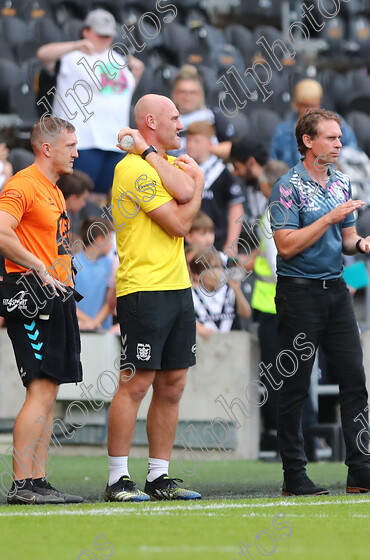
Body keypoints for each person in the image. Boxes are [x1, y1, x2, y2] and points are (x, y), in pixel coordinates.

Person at [267, 109, 370, 496]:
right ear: (308, 142)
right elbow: (286, 246)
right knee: (295, 385)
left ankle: (360, 469)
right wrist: (328, 219)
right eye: (331, 138)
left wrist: (363, 244)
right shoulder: (286, 186)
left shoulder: (340, 182)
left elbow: (347, 240)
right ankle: (294, 474)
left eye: (339, 138)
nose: (339, 144)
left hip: (334, 290)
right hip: (298, 292)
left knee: (353, 378)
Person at [104, 94, 205, 502]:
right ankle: (117, 479)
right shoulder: (132, 169)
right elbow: (182, 222)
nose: (182, 124)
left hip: (178, 287)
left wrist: (189, 186)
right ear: (151, 121)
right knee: (136, 382)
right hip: (143, 288)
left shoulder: (160, 163)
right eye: (175, 117)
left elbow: (182, 197)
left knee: (174, 383)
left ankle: (159, 476)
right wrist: (197, 185)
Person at [0, 117, 84, 504]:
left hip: (56, 294)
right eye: (70, 146)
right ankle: (21, 485)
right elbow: (1, 230)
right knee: (38, 388)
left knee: (49, 390)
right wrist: (36, 265)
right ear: (46, 148)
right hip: (31, 294)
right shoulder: (22, 184)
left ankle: (37, 480)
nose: (77, 152)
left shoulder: (53, 189)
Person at [36, 9, 144, 202]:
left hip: (114, 142)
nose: (105, 39)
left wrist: (136, 75)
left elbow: (120, 95)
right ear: (86, 31)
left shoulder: (118, 58)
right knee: (73, 199)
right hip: (82, 140)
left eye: (108, 35)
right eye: (100, 34)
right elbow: (43, 55)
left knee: (105, 200)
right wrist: (76, 45)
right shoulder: (71, 56)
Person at [243, 159, 291, 455]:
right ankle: (299, 434)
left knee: (275, 373)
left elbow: (275, 264)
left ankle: (278, 434)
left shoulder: (273, 212)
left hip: (272, 304)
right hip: (283, 303)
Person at [269, 79, 359, 168]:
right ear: (296, 104)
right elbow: (274, 162)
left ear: (319, 103)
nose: (310, 110)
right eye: (305, 105)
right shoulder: (282, 131)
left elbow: (351, 150)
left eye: (314, 105)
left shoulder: (334, 122)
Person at [184, 121, 245, 249]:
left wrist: (231, 244)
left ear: (210, 144)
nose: (190, 145)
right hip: (186, 243)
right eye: (188, 140)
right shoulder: (180, 170)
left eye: (197, 141)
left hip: (216, 242)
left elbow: (236, 207)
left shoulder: (222, 172)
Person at [170, 64, 236, 159]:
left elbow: (232, 147)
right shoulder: (167, 118)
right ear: (175, 94)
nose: (187, 97)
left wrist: (206, 149)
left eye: (192, 92)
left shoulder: (212, 115)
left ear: (200, 94)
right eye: (183, 92)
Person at [187, 248, 251, 338]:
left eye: (219, 267)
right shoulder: (192, 294)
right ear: (197, 275)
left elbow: (246, 313)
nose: (216, 272)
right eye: (211, 268)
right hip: (203, 346)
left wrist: (237, 290)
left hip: (231, 344)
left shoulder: (229, 289)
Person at [74, 218, 115, 332]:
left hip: (103, 331)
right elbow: (67, 301)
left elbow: (111, 300)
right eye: (110, 238)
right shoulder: (73, 263)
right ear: (100, 240)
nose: (112, 243)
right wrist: (88, 322)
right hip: (78, 330)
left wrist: (95, 323)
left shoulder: (110, 264)